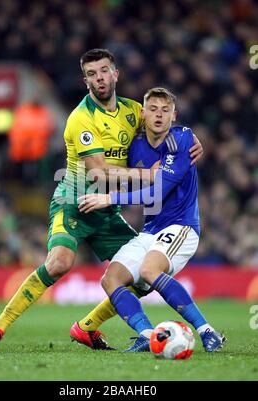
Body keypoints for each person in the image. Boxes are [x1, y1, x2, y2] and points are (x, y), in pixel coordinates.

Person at [0, 49, 203, 351]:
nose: (100, 78)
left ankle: (87, 328)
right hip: (74, 201)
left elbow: (168, 127)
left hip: (108, 210)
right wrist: (146, 175)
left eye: (104, 70)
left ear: (115, 74)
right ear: (86, 81)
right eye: (93, 74)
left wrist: (193, 141)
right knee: (59, 263)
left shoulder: (134, 111)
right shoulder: (81, 118)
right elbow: (97, 171)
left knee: (139, 278)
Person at [74, 87, 226, 352]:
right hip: (150, 230)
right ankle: (146, 334)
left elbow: (157, 192)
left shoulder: (182, 139)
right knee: (110, 279)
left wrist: (110, 199)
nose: (159, 115)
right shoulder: (137, 146)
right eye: (153, 109)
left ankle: (207, 331)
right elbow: (135, 189)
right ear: (143, 113)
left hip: (181, 225)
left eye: (165, 110)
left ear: (174, 116)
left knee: (149, 270)